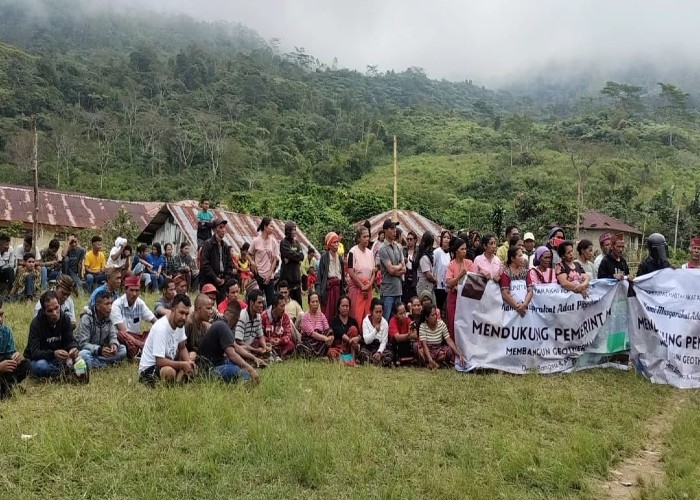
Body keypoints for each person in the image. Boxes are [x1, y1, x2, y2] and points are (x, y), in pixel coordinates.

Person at [138, 294, 195, 385]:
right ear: (173, 310)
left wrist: (188, 363)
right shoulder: (161, 327)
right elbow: (160, 361)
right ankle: (177, 380)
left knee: (192, 355)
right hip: (150, 369)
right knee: (169, 372)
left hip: (169, 361)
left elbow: (182, 347)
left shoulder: (180, 324)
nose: (184, 317)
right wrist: (182, 365)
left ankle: (178, 380)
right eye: (181, 313)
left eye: (186, 314)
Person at [197, 300, 259, 383]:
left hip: (217, 363)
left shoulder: (220, 324)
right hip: (208, 371)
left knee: (241, 363)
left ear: (225, 311)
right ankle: (246, 385)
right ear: (237, 319)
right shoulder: (223, 327)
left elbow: (236, 347)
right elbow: (232, 355)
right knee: (239, 370)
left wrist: (253, 358)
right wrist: (250, 369)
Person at [25, 291, 79, 378]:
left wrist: (73, 348)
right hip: (40, 359)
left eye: (56, 308)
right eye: (50, 311)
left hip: (59, 359)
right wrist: (53, 354)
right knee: (41, 366)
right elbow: (34, 353)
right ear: (43, 311)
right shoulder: (36, 324)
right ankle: (65, 373)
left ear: (60, 305)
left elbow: (70, 340)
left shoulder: (65, 319)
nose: (54, 313)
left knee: (81, 358)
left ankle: (60, 372)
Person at [76, 291, 127, 369]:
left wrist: (114, 344)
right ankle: (105, 364)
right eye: (107, 304)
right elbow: (82, 344)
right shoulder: (86, 318)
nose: (110, 307)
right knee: (83, 355)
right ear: (98, 306)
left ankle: (96, 364)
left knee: (123, 349)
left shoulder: (109, 317)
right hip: (91, 351)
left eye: (111, 303)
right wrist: (99, 350)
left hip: (104, 351)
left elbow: (113, 336)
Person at [111, 275, 157, 358]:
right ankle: (141, 351)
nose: (134, 294)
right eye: (131, 290)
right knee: (120, 335)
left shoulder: (140, 304)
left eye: (137, 290)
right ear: (125, 290)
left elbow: (155, 321)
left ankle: (142, 351)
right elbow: (123, 332)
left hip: (136, 337)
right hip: (124, 338)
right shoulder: (117, 305)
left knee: (155, 330)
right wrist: (140, 344)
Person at [445, 237, 477, 338]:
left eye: (465, 249)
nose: (464, 251)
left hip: (467, 299)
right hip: (454, 298)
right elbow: (449, 284)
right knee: (453, 324)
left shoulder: (469, 263)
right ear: (456, 251)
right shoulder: (451, 265)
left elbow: (474, 280)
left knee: (467, 324)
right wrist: (460, 275)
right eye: (462, 249)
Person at [0, 300, 31, 399]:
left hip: (4, 370)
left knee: (26, 364)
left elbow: (9, 355)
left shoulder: (6, 331)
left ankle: (7, 387)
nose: (0, 319)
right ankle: (7, 389)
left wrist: (16, 356)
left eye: (1, 314)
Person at [419, 303, 464, 369]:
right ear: (426, 317)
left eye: (435, 314)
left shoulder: (441, 324)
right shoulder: (423, 326)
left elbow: (449, 340)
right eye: (432, 315)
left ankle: (434, 364)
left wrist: (459, 354)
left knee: (448, 351)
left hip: (438, 350)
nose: (435, 317)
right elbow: (424, 345)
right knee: (419, 350)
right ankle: (432, 363)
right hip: (428, 350)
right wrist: (430, 359)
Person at [200, 218, 235, 302]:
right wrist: (215, 278)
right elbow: (205, 264)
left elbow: (229, 265)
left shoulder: (225, 246)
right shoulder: (208, 244)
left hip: (222, 282)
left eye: (224, 227)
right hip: (209, 280)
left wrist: (225, 279)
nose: (223, 230)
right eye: (221, 227)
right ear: (215, 230)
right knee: (207, 304)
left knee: (221, 306)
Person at [377, 220, 405, 321]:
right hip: (388, 292)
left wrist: (396, 268)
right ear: (385, 230)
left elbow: (404, 268)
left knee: (398, 320)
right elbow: (390, 270)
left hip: (398, 290)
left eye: (395, 229)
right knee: (386, 320)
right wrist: (399, 266)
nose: (394, 231)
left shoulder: (398, 247)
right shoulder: (383, 249)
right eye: (391, 229)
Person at [347, 226, 375, 324]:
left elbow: (373, 272)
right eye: (364, 237)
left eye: (368, 236)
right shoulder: (352, 252)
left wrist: (368, 286)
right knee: (355, 314)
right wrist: (362, 286)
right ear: (359, 238)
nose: (367, 239)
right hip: (356, 287)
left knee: (367, 314)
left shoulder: (371, 253)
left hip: (368, 287)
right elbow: (350, 271)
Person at [235, 289, 271, 363]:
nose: (262, 305)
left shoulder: (258, 316)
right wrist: (255, 350)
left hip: (251, 346)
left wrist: (264, 347)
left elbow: (260, 336)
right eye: (259, 303)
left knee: (267, 344)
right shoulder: (242, 317)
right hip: (241, 347)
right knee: (243, 349)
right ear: (251, 302)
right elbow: (238, 341)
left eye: (262, 303)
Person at [250, 217, 279, 306]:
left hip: (269, 276)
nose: (272, 228)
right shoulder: (256, 241)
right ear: (265, 227)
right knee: (258, 301)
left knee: (271, 302)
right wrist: (252, 262)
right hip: (258, 274)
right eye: (271, 226)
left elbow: (275, 259)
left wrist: (270, 273)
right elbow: (249, 254)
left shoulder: (273, 241)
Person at [318, 231, 346, 322]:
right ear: (329, 244)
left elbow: (342, 275)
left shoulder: (340, 257)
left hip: (338, 288)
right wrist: (319, 291)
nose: (337, 244)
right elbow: (320, 276)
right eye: (334, 242)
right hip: (328, 289)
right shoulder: (324, 257)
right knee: (328, 311)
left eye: (338, 242)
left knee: (337, 310)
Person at [499, 246, 533, 318]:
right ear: (512, 258)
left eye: (522, 256)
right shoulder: (506, 273)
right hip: (510, 312)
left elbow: (530, 290)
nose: (522, 258)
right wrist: (517, 307)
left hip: (525, 309)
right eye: (519, 256)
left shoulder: (526, 272)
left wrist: (524, 304)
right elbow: (505, 294)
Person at [261, 293, 295, 361]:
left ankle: (274, 354)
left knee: (291, 345)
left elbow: (288, 335)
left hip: (280, 344)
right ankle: (276, 354)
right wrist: (269, 340)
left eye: (284, 306)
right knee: (258, 343)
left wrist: (280, 340)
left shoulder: (285, 317)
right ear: (274, 306)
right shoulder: (264, 316)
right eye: (281, 306)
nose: (283, 309)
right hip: (267, 344)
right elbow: (260, 335)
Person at [359, 298, 393, 366]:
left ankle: (373, 361)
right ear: (371, 311)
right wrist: (375, 331)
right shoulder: (366, 321)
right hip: (369, 346)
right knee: (362, 354)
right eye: (376, 312)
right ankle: (376, 362)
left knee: (389, 356)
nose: (378, 314)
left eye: (380, 312)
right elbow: (366, 340)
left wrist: (379, 352)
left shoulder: (385, 323)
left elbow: (384, 341)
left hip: (379, 347)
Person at [298, 291, 333, 358]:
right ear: (308, 303)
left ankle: (319, 354)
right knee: (301, 346)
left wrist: (330, 338)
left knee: (330, 331)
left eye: (317, 301)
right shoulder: (305, 317)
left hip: (321, 342)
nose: (315, 304)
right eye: (313, 302)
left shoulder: (322, 315)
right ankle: (319, 354)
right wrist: (325, 338)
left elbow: (327, 329)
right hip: (310, 342)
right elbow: (312, 334)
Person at [279, 222, 304, 306]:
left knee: (298, 305)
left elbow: (301, 256)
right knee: (287, 305)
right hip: (287, 280)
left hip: (296, 279)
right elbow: (288, 254)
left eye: (295, 229)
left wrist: (292, 257)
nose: (294, 232)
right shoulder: (284, 243)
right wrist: (295, 256)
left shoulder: (297, 243)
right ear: (287, 230)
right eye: (292, 230)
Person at [329, 295, 360, 361]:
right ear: (339, 307)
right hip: (340, 349)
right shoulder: (335, 320)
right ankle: (347, 359)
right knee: (331, 353)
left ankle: (352, 359)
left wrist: (357, 338)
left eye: (347, 306)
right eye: (343, 306)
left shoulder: (353, 321)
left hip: (352, 349)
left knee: (353, 329)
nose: (345, 308)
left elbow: (360, 335)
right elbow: (340, 333)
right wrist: (350, 340)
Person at [185, 293, 213, 362]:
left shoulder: (205, 325)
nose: (211, 312)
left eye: (211, 309)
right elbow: (181, 348)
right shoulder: (188, 323)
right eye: (208, 308)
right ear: (199, 309)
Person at [388, 301, 418, 365]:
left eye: (404, 312)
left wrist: (410, 335)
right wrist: (409, 336)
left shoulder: (407, 319)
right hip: (395, 346)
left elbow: (415, 335)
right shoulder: (392, 321)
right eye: (400, 313)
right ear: (396, 315)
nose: (403, 315)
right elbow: (397, 338)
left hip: (406, 343)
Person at [432, 230, 452, 317]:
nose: (446, 239)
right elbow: (432, 267)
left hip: (448, 286)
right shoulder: (437, 252)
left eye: (448, 238)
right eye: (444, 237)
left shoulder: (451, 254)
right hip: (438, 285)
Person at [416, 232, 437, 304]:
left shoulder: (427, 255)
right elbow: (428, 275)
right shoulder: (424, 257)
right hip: (424, 285)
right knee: (427, 307)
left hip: (428, 285)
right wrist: (435, 281)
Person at [402, 231, 418, 303]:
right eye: (407, 239)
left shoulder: (418, 251)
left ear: (415, 240)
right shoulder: (404, 250)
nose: (409, 241)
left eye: (411, 239)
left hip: (415, 278)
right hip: (405, 278)